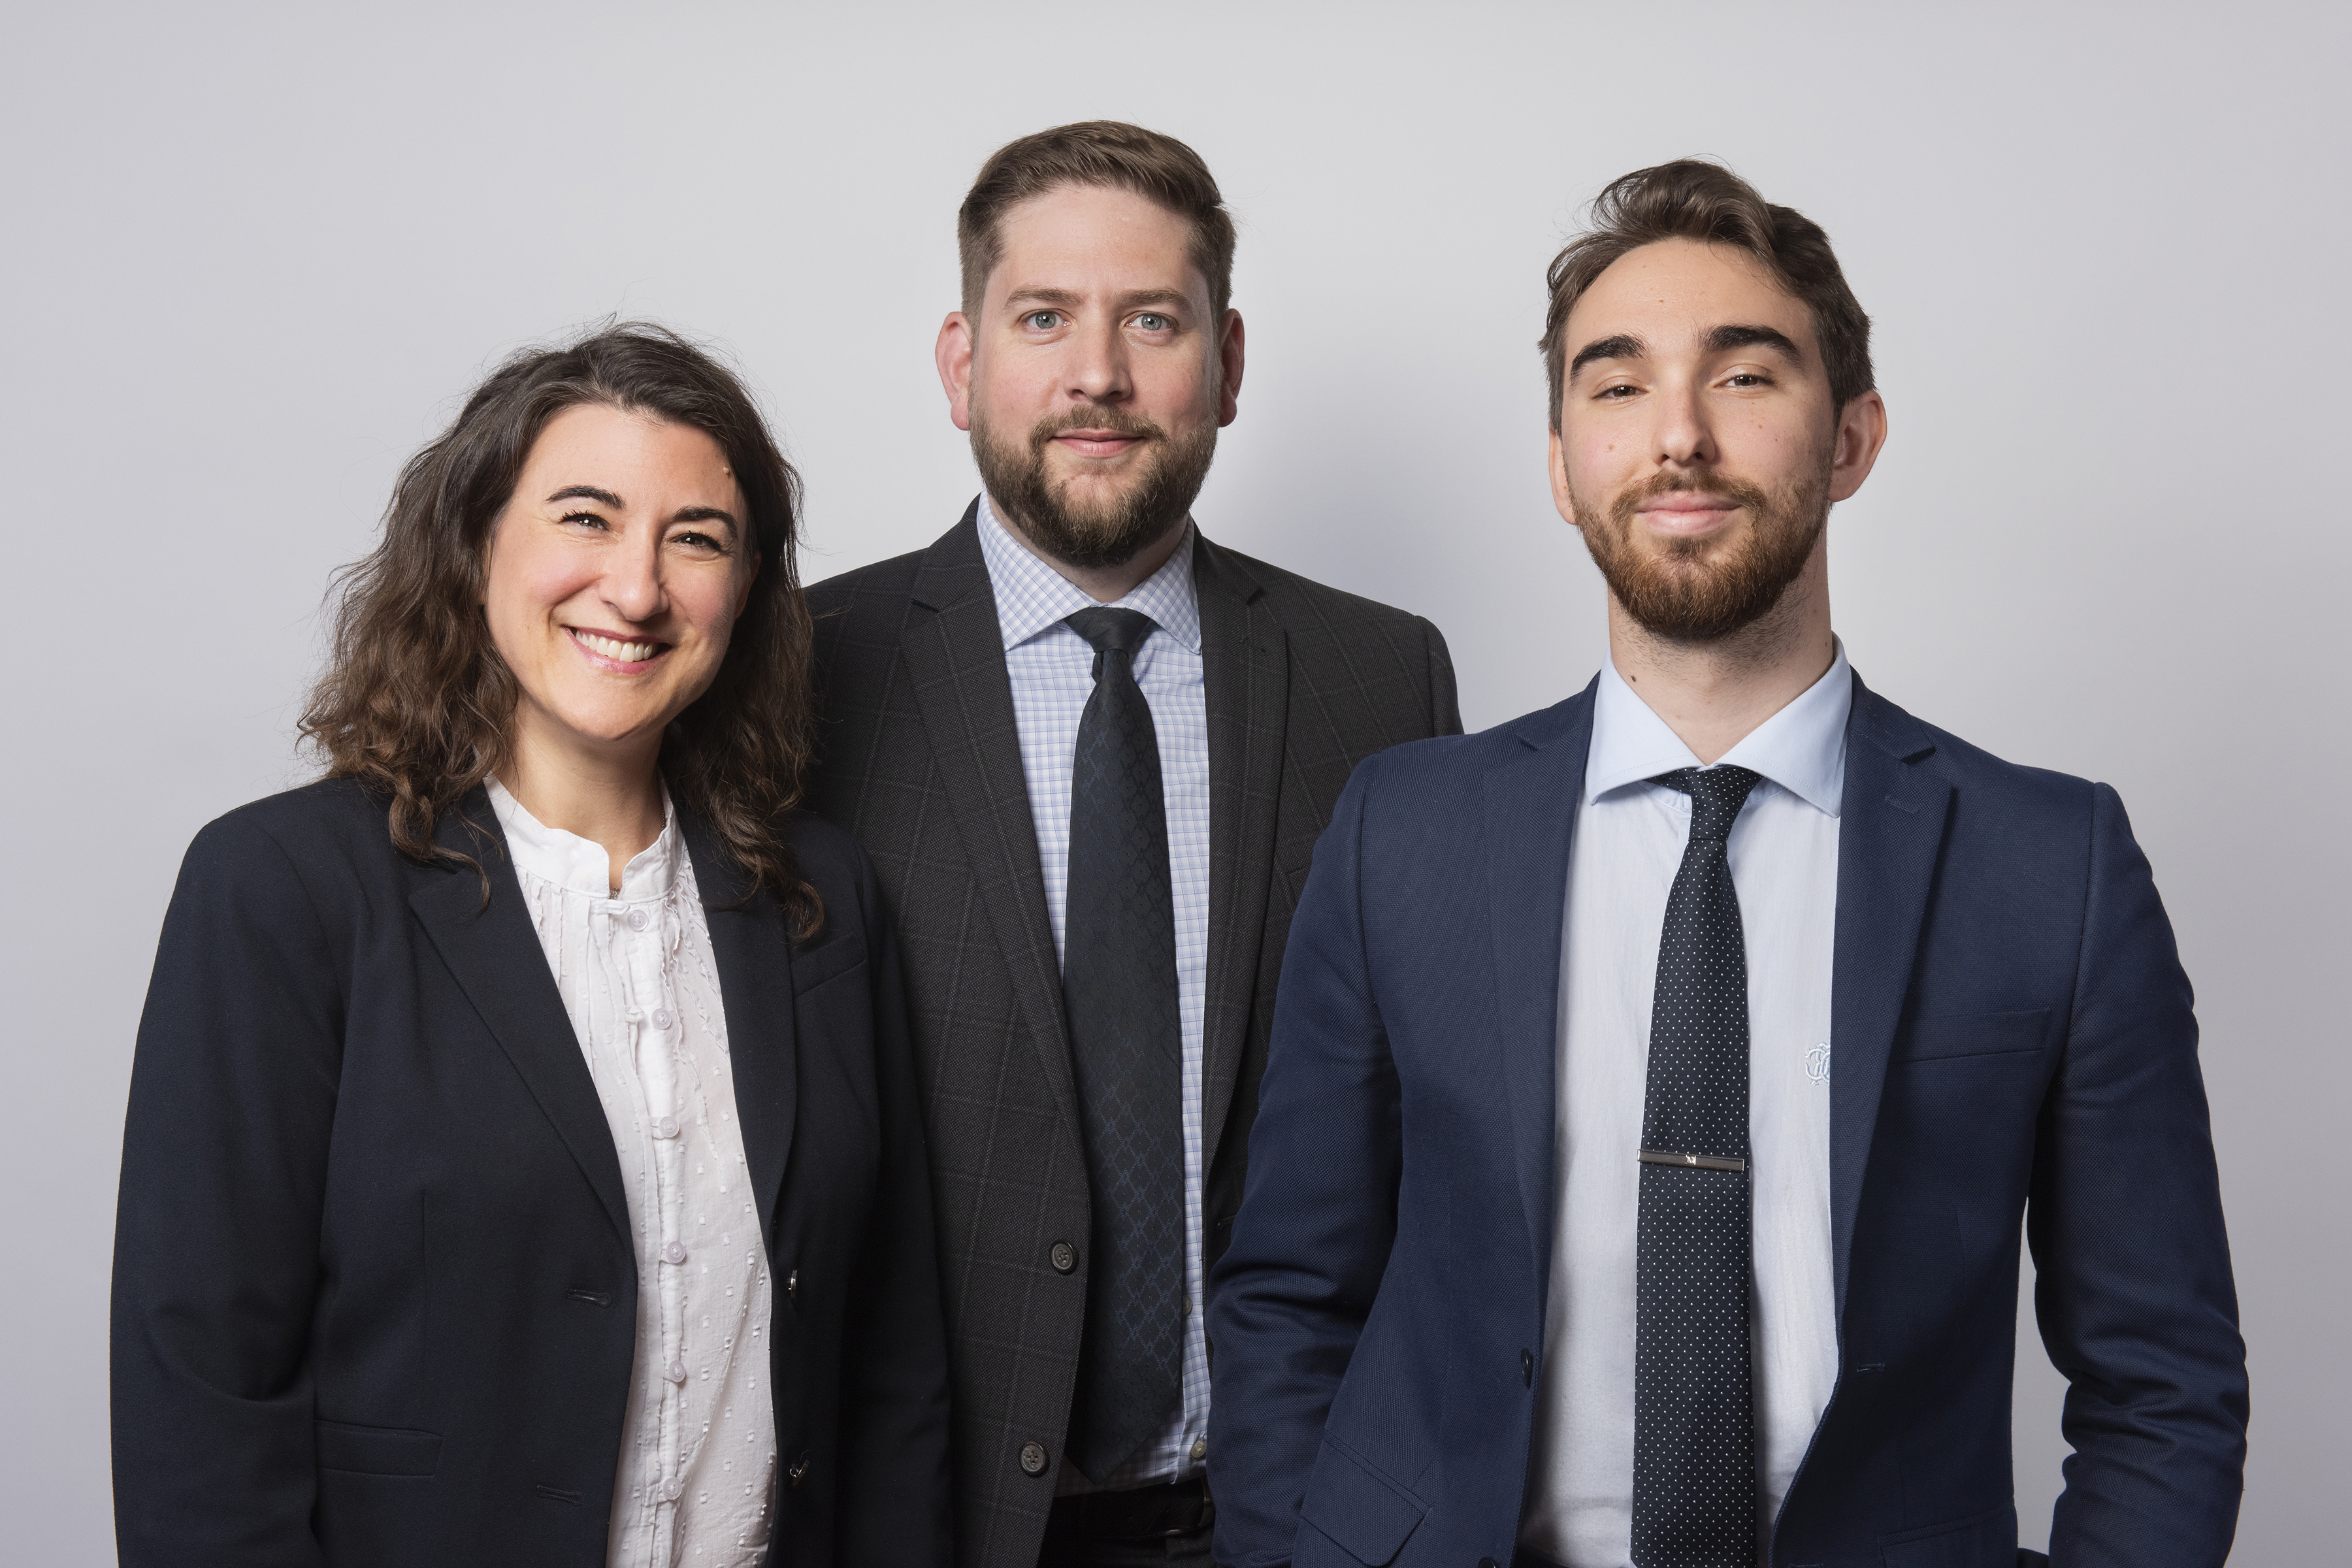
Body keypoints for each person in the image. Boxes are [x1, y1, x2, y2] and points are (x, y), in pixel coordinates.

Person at [1207, 161, 2247, 1568]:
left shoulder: (2050, 868)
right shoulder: (1402, 833)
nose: (1679, 436)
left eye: (1745, 377)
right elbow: (1291, 1296)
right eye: (1617, 385)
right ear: (1563, 465)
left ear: (1852, 438)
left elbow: (2162, 1382)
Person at [110, 325, 951, 1567]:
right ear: (476, 545)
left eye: (696, 539)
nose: (637, 590)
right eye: (586, 518)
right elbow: (202, 1398)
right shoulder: (282, 889)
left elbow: (892, 1360)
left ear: (746, 593)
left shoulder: (820, 898)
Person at [802, 122, 1460, 1568]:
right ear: (961, 363)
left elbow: (1428, 1129)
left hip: (1287, 1521)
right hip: (925, 1525)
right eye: (1043, 318)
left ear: (1227, 362)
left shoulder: (1380, 678)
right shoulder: (800, 675)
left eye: (1152, 321)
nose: (1097, 374)